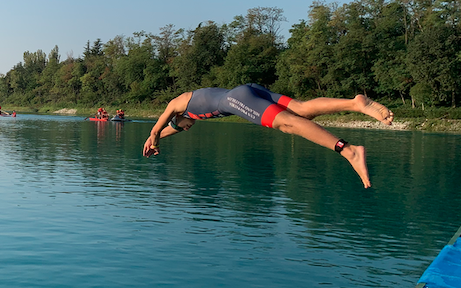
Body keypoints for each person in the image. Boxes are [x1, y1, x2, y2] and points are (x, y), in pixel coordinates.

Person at [142, 83, 394, 189]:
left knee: (288, 124)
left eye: (182, 125)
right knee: (303, 110)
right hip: (249, 90)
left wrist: (153, 135)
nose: (185, 128)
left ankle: (348, 151)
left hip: (237, 99)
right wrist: (158, 138)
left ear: (179, 116)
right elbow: (166, 130)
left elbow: (158, 126)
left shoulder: (178, 104)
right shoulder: (189, 115)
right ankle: (355, 103)